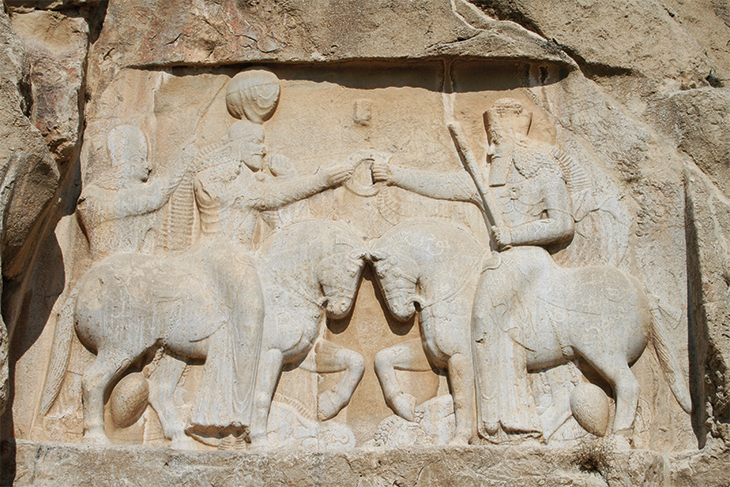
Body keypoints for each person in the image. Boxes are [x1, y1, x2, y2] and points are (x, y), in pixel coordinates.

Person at [372, 97, 574, 441]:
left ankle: (513, 416)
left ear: (516, 144)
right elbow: (445, 185)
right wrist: (395, 175)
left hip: (529, 261)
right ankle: (486, 414)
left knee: (482, 316)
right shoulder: (488, 185)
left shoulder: (544, 175)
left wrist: (515, 234)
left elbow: (563, 225)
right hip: (500, 262)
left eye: (496, 143)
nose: (491, 151)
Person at [186, 118, 355, 438]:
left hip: (244, 256)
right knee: (251, 312)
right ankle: (227, 412)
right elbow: (268, 198)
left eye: (263, 142)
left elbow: (279, 209)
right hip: (222, 253)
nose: (262, 150)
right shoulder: (218, 176)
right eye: (255, 144)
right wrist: (322, 178)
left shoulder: (244, 177)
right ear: (235, 147)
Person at [77, 125, 192, 259]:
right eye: (141, 160)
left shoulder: (133, 193)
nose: (148, 166)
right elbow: (153, 198)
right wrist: (182, 160)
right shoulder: (93, 196)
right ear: (127, 162)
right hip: (112, 265)